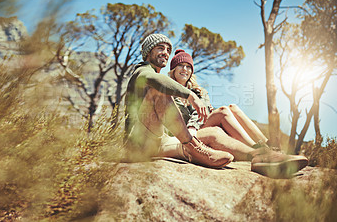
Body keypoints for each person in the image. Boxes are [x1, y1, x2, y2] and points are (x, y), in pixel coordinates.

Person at [164, 49, 309, 178]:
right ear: (173, 70)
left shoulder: (199, 92)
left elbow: (203, 111)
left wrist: (200, 115)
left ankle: (268, 148)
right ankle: (260, 153)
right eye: (181, 66)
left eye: (188, 67)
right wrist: (192, 128)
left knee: (232, 107)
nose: (185, 69)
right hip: (187, 133)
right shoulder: (166, 92)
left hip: (199, 126)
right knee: (223, 111)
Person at [124, 34, 234, 168]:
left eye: (168, 50)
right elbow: (154, 80)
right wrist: (191, 96)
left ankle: (254, 153)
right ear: (148, 51)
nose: (165, 53)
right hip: (138, 143)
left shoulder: (156, 75)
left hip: (156, 143)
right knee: (158, 91)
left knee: (210, 136)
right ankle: (194, 147)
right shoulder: (142, 70)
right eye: (160, 48)